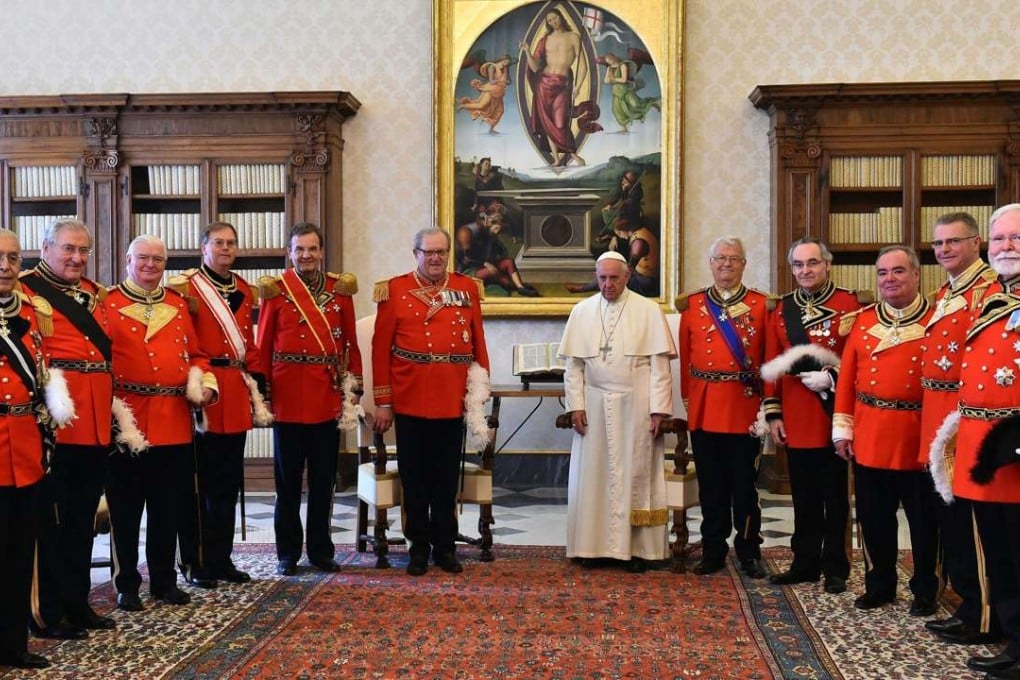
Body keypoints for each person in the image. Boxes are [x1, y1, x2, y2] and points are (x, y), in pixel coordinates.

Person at [104, 235, 217, 612]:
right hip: (128, 420)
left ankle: (164, 580)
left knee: (168, 507)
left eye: (158, 259)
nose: (151, 265)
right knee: (126, 510)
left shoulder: (178, 305)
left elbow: (198, 355)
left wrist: (204, 386)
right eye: (143, 258)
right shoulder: (108, 303)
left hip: (173, 419)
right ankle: (127, 584)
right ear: (127, 259)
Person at [371, 227, 491, 576]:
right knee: (414, 478)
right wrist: (383, 401)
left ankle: (445, 546)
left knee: (445, 478)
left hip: (452, 397)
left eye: (442, 252)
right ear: (416, 254)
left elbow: (478, 341)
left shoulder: (466, 288)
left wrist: (478, 391)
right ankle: (418, 547)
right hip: (409, 397)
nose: (436, 258)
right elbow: (380, 350)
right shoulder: (394, 289)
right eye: (429, 252)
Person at [19, 219, 114, 639]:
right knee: (50, 527)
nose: (77, 258)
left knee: (81, 522)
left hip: (93, 425)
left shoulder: (95, 294)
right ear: (45, 248)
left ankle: (78, 604)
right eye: (68, 249)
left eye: (83, 250)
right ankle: (46, 612)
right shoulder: (25, 290)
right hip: (55, 427)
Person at [832, 245, 938, 616]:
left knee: (925, 522)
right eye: (882, 273)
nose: (889, 280)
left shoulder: (937, 318)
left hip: (918, 435)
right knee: (875, 519)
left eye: (897, 272)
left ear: (916, 275)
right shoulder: (861, 321)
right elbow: (846, 380)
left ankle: (925, 588)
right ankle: (880, 584)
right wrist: (843, 429)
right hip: (872, 433)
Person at [761, 237, 868, 595]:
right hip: (795, 416)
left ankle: (836, 565)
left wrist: (833, 377)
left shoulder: (848, 304)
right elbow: (772, 365)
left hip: (833, 414)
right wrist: (773, 415)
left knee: (835, 496)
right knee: (803, 495)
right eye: (798, 265)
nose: (805, 271)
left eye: (812, 263)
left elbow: (858, 361)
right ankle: (804, 562)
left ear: (827, 265)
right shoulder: (783, 308)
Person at [558, 251, 675, 572]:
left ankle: (639, 551)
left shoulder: (648, 311)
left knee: (636, 477)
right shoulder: (581, 312)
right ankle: (590, 547)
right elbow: (573, 366)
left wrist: (659, 411)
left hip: (636, 407)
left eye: (614, 278)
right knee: (592, 478)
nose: (608, 284)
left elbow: (659, 368)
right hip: (593, 406)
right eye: (602, 278)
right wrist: (576, 406)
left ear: (627, 277)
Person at [256, 222, 362, 577]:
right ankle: (287, 552)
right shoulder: (276, 290)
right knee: (287, 483)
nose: (306, 255)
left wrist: (354, 387)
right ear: (290, 252)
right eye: (299, 249)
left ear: (321, 251)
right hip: (287, 398)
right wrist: (263, 394)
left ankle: (319, 549)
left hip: (326, 396)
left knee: (323, 482)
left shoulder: (339, 290)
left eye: (312, 248)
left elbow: (350, 342)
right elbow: (264, 345)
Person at [171, 222, 271, 589]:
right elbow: (181, 340)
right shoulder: (187, 287)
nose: (225, 248)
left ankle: (221, 558)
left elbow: (250, 343)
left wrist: (259, 380)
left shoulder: (244, 289)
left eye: (231, 243)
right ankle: (195, 562)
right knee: (199, 484)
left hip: (235, 392)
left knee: (228, 485)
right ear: (203, 246)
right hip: (205, 390)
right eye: (218, 242)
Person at [918, 212, 999, 645]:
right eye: (938, 244)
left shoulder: (988, 292)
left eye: (953, 241)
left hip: (967, 416)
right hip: (938, 413)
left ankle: (983, 613)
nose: (944, 250)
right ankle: (969, 602)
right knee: (951, 520)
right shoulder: (946, 293)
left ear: (977, 242)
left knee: (973, 523)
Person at [949, 204, 1020, 679]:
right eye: (999, 239)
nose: (1007, 247)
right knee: (1001, 552)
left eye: (1016, 238)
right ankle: (1014, 639)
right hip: (984, 448)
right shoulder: (990, 298)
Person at [0, 228, 73, 669]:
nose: (4, 266)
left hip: (24, 450)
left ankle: (12, 644)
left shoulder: (33, 312)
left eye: (12, 257)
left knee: (18, 552)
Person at [677, 236, 769, 579]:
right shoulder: (694, 305)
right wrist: (689, 400)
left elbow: (768, 359)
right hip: (704, 405)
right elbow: (686, 359)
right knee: (711, 486)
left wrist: (767, 407)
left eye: (733, 258)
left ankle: (748, 550)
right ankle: (713, 549)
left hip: (744, 408)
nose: (726, 264)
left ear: (744, 264)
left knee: (745, 488)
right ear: (711, 263)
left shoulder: (761, 306)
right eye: (720, 258)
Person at [519, 8, 589, 166]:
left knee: (560, 122)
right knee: (547, 122)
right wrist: (528, 52)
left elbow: (583, 65)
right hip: (543, 83)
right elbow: (535, 67)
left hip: (563, 85)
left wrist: (578, 86)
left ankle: (574, 156)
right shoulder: (545, 40)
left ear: (561, 18)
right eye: (549, 20)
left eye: (555, 18)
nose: (553, 22)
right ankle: (557, 158)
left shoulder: (573, 37)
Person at [455, 205, 539, 297]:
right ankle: (513, 285)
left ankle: (520, 288)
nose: (497, 229)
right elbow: (464, 257)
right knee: (501, 279)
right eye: (495, 224)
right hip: (469, 270)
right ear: (487, 220)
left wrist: (496, 253)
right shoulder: (467, 231)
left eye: (499, 224)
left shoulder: (489, 232)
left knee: (508, 262)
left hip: (487, 266)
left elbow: (501, 251)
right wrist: (485, 263)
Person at [601, 52, 660, 133]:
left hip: (625, 90)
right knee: (616, 110)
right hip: (616, 92)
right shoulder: (609, 69)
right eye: (608, 61)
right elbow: (606, 81)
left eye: (610, 59)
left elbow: (624, 79)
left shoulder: (623, 65)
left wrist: (613, 79)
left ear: (614, 56)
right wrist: (610, 78)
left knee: (636, 104)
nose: (610, 61)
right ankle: (624, 128)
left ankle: (652, 103)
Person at [456, 59, 511, 133]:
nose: (506, 63)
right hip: (491, 90)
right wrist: (501, 81)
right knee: (481, 105)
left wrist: (505, 71)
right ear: (502, 60)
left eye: (507, 63)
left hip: (499, 93)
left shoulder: (505, 68)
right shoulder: (492, 67)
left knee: (500, 111)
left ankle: (491, 129)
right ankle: (463, 106)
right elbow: (491, 81)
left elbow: (506, 81)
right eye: (505, 61)